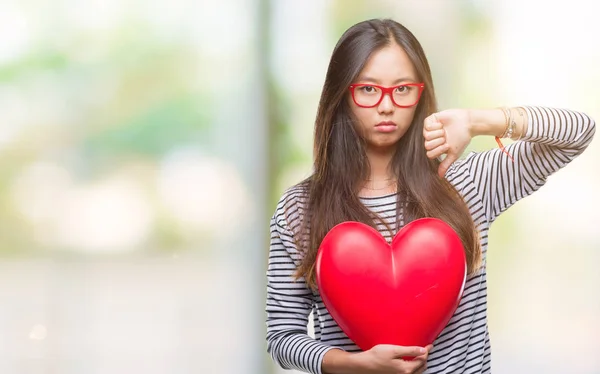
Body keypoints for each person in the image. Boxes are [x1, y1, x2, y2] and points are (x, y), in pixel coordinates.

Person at [265, 18, 595, 374]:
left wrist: (478, 121)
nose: (387, 106)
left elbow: (578, 132)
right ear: (342, 94)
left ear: (421, 93)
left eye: (403, 89)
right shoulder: (301, 207)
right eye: (369, 89)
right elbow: (283, 337)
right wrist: (356, 364)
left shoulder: (468, 183)